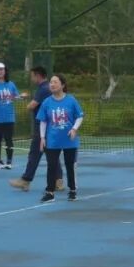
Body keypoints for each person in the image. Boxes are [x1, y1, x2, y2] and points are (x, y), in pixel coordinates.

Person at [9, 66, 63, 192]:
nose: (31, 78)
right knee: (52, 154)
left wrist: (27, 104)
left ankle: (26, 180)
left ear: (38, 76)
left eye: (32, 76)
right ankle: (58, 180)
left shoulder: (43, 88)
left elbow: (32, 106)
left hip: (42, 128)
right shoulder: (47, 88)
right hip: (51, 127)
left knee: (34, 154)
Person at [38, 74, 84, 203]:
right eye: (51, 82)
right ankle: (50, 192)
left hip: (69, 139)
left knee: (70, 165)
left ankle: (72, 190)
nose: (52, 84)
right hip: (53, 139)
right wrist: (42, 137)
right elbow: (43, 121)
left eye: (55, 82)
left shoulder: (71, 100)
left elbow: (80, 116)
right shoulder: (47, 102)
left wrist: (74, 129)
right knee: (51, 165)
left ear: (62, 85)